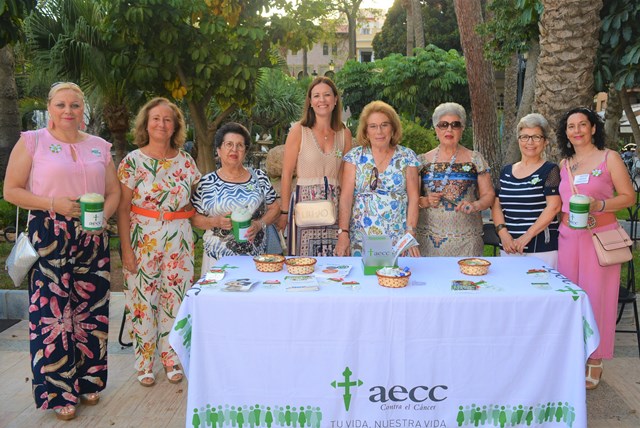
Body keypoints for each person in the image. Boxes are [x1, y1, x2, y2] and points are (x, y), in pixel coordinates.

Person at [3, 82, 120, 420]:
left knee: (92, 309)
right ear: (50, 108)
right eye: (61, 105)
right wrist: (53, 203)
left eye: (75, 105)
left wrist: (103, 218)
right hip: (49, 234)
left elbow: (113, 192)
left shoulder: (100, 146)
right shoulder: (33, 142)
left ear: (83, 110)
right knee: (52, 315)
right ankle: (58, 393)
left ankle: (88, 381)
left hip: (91, 236)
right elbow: (11, 190)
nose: (68, 111)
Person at [117, 97, 201, 387]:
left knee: (176, 300)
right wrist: (126, 249)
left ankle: (171, 358)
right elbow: (122, 209)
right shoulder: (132, 161)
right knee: (142, 301)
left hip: (180, 239)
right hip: (144, 240)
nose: (162, 124)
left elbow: (196, 203)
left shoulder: (187, 161)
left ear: (175, 125)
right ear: (146, 123)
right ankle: (144, 362)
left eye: (168, 119)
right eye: (156, 119)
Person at [556, 107, 634, 390]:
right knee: (572, 297)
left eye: (582, 125)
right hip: (568, 238)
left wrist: (599, 205)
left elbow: (628, 196)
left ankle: (596, 359)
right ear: (565, 132)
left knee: (597, 297)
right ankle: (575, 353)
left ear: (592, 128)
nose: (576, 130)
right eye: (570, 126)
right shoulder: (565, 164)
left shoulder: (609, 157)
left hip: (599, 236)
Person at [277, 76, 352, 256]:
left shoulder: (344, 134)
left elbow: (345, 177)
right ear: (310, 102)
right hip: (305, 206)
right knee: (304, 265)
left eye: (327, 95)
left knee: (337, 264)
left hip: (334, 206)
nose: (322, 100)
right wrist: (284, 211)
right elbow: (286, 174)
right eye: (316, 96)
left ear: (335, 100)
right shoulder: (298, 131)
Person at [334, 101, 421, 257]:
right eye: (373, 126)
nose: (379, 131)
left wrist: (410, 232)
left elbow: (414, 198)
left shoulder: (407, 156)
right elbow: (346, 198)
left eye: (384, 125)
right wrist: (343, 233)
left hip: (398, 238)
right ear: (366, 131)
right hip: (361, 237)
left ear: (393, 128)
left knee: (395, 280)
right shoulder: (354, 157)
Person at [191, 122, 280, 270]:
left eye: (240, 145)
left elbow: (275, 208)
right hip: (217, 260)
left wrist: (259, 224)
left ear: (245, 151)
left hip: (256, 259)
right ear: (219, 150)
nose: (234, 149)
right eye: (229, 144)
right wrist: (216, 222)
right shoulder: (206, 182)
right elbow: (194, 218)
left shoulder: (259, 177)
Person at [417, 102, 495, 257]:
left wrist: (475, 205)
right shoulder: (421, 161)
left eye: (455, 125)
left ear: (462, 128)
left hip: (467, 242)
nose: (449, 130)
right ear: (436, 129)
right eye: (443, 125)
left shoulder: (475, 159)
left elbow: (489, 196)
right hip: (429, 241)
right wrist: (425, 201)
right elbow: (411, 199)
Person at [491, 113, 561, 268]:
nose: (530, 142)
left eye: (536, 137)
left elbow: (554, 207)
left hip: (541, 248)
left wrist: (526, 236)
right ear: (518, 141)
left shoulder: (550, 170)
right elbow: (496, 205)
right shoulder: (506, 171)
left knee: (542, 290)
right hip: (509, 247)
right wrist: (504, 235)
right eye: (524, 137)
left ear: (545, 142)